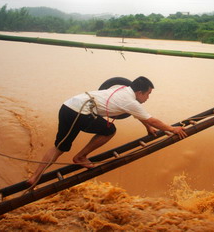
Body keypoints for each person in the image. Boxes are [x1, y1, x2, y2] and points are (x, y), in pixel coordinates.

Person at [27, 76, 187, 185]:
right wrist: (172, 129)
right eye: (148, 94)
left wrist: (148, 127)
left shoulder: (124, 89)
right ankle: (81, 157)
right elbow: (150, 118)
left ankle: (34, 177)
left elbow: (143, 118)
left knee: (60, 147)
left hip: (69, 106)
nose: (148, 98)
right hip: (80, 112)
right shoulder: (130, 101)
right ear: (139, 92)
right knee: (109, 131)